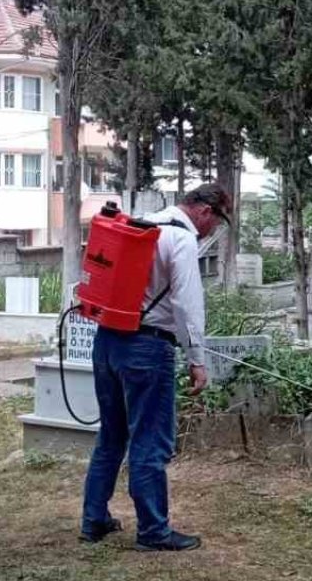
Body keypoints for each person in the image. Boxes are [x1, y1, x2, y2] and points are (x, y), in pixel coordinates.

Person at [79, 183, 233, 551]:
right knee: (150, 441)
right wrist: (198, 360)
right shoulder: (181, 240)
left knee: (112, 436)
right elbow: (187, 306)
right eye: (216, 222)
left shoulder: (143, 224)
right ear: (205, 211)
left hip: (107, 340)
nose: (212, 231)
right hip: (147, 347)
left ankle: (93, 519)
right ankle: (153, 531)